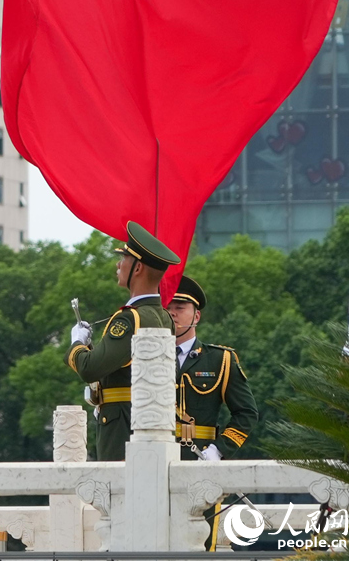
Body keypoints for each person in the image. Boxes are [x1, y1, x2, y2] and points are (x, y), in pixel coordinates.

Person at [65, 221, 179, 461]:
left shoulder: (130, 319)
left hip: (122, 430)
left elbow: (89, 368)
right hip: (148, 425)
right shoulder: (164, 317)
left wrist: (77, 344)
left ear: (137, 269)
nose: (119, 264)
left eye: (124, 259)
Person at [168, 275, 259, 551]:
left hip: (200, 462)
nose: (171, 312)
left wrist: (218, 450)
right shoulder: (143, 357)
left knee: (199, 545)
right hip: (154, 461)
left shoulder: (220, 360)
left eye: (179, 307)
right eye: (168, 306)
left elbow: (246, 413)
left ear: (196, 316)